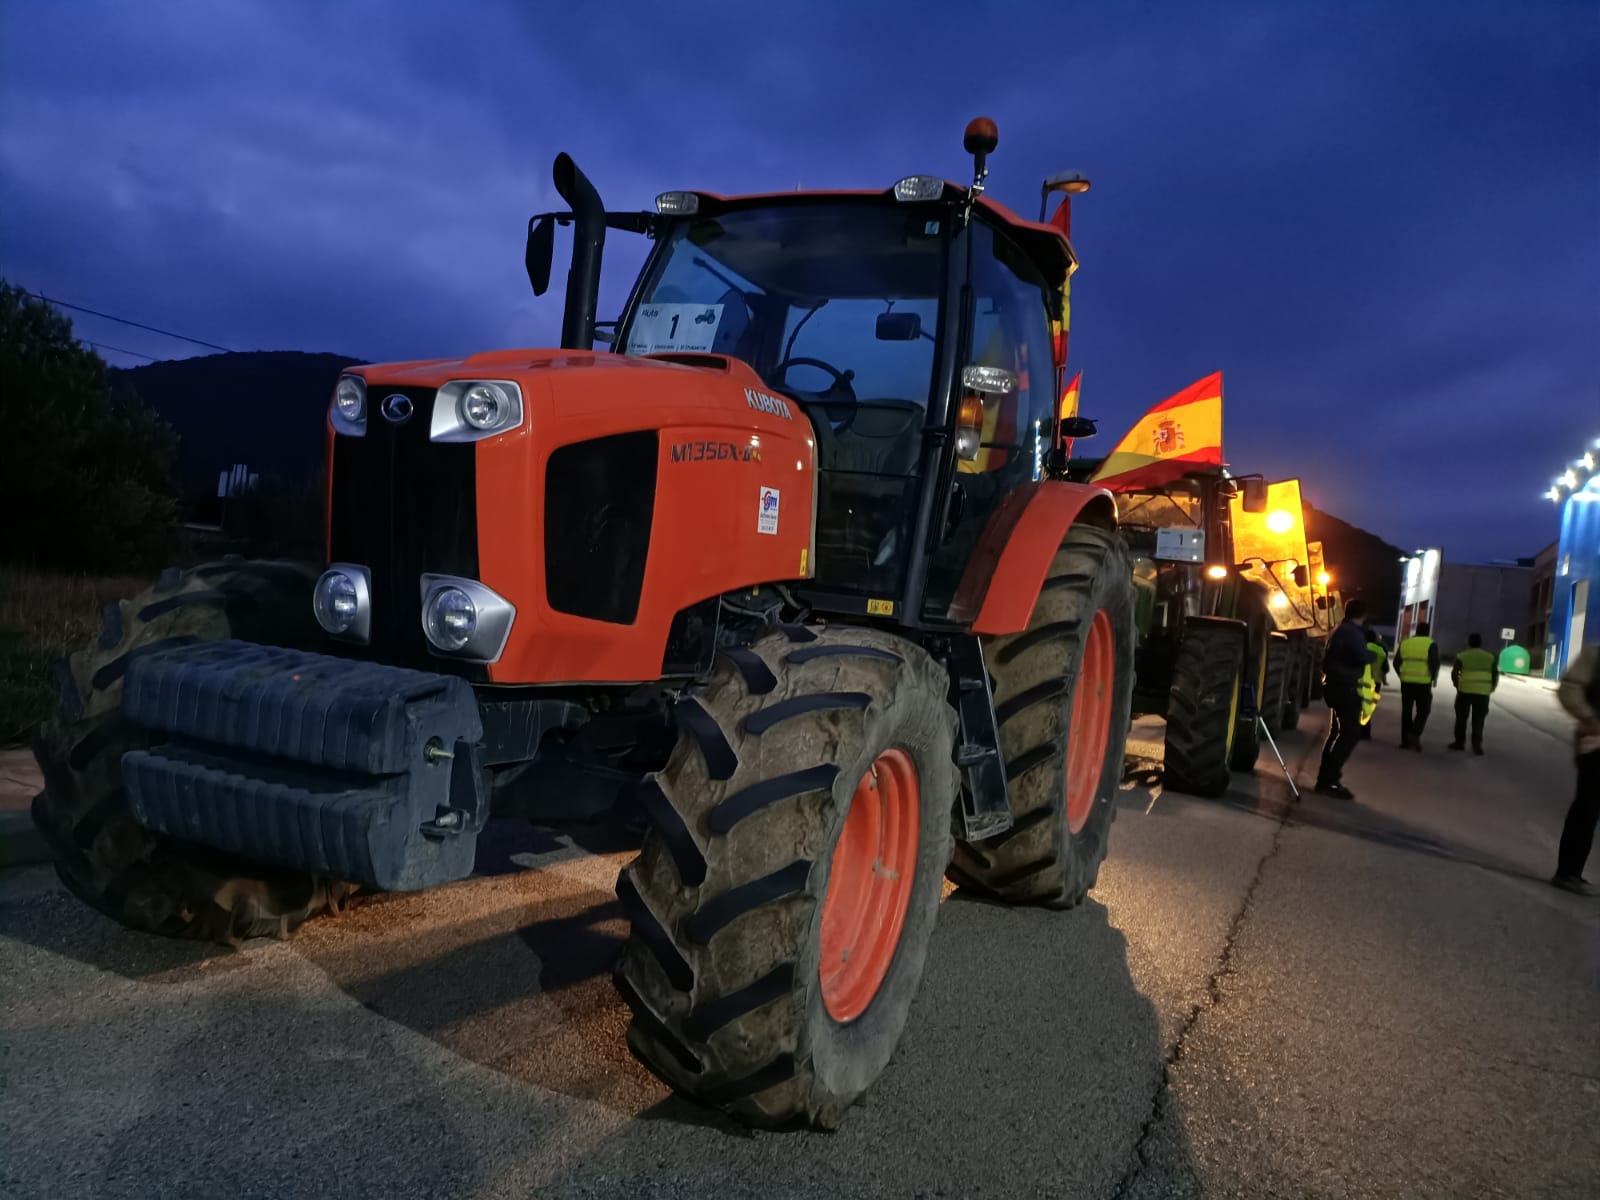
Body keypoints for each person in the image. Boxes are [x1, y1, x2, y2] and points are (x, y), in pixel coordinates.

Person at [1315, 598, 1374, 799]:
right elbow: (1361, 656)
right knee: (1350, 733)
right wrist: (1372, 653)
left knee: (1336, 733)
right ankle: (1329, 780)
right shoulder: (1352, 633)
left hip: (1334, 685)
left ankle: (1325, 778)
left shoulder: (1339, 629)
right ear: (1363, 615)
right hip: (1344, 687)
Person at [1553, 644, 1600, 895]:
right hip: (1595, 744)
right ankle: (1567, 872)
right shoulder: (1595, 655)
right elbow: (1569, 690)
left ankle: (1573, 871)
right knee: (1587, 807)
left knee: (1591, 810)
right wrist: (1590, 719)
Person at [1449, 633, 1498, 755]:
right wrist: (1492, 687)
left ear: (1468, 642)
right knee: (1479, 719)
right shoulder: (1490, 657)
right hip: (1482, 693)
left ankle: (1459, 743)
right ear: (1481, 643)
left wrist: (1457, 685)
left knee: (1461, 718)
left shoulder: (1462, 656)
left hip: (1464, 691)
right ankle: (1477, 745)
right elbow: (1495, 674)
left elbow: (1454, 673)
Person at [1394, 621, 1440, 750]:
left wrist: (1402, 676)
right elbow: (1434, 663)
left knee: (1407, 712)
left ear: (1416, 630)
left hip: (1406, 683)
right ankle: (1414, 733)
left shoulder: (1405, 643)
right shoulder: (1431, 644)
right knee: (1424, 710)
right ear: (1427, 631)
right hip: (1423, 684)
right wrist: (1433, 678)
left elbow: (1396, 663)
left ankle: (1405, 742)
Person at [1359, 628, 1387, 739]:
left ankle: (1356, 730)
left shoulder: (1361, 648)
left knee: (1357, 706)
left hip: (1361, 680)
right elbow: (1385, 668)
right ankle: (1365, 732)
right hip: (1375, 682)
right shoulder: (1381, 651)